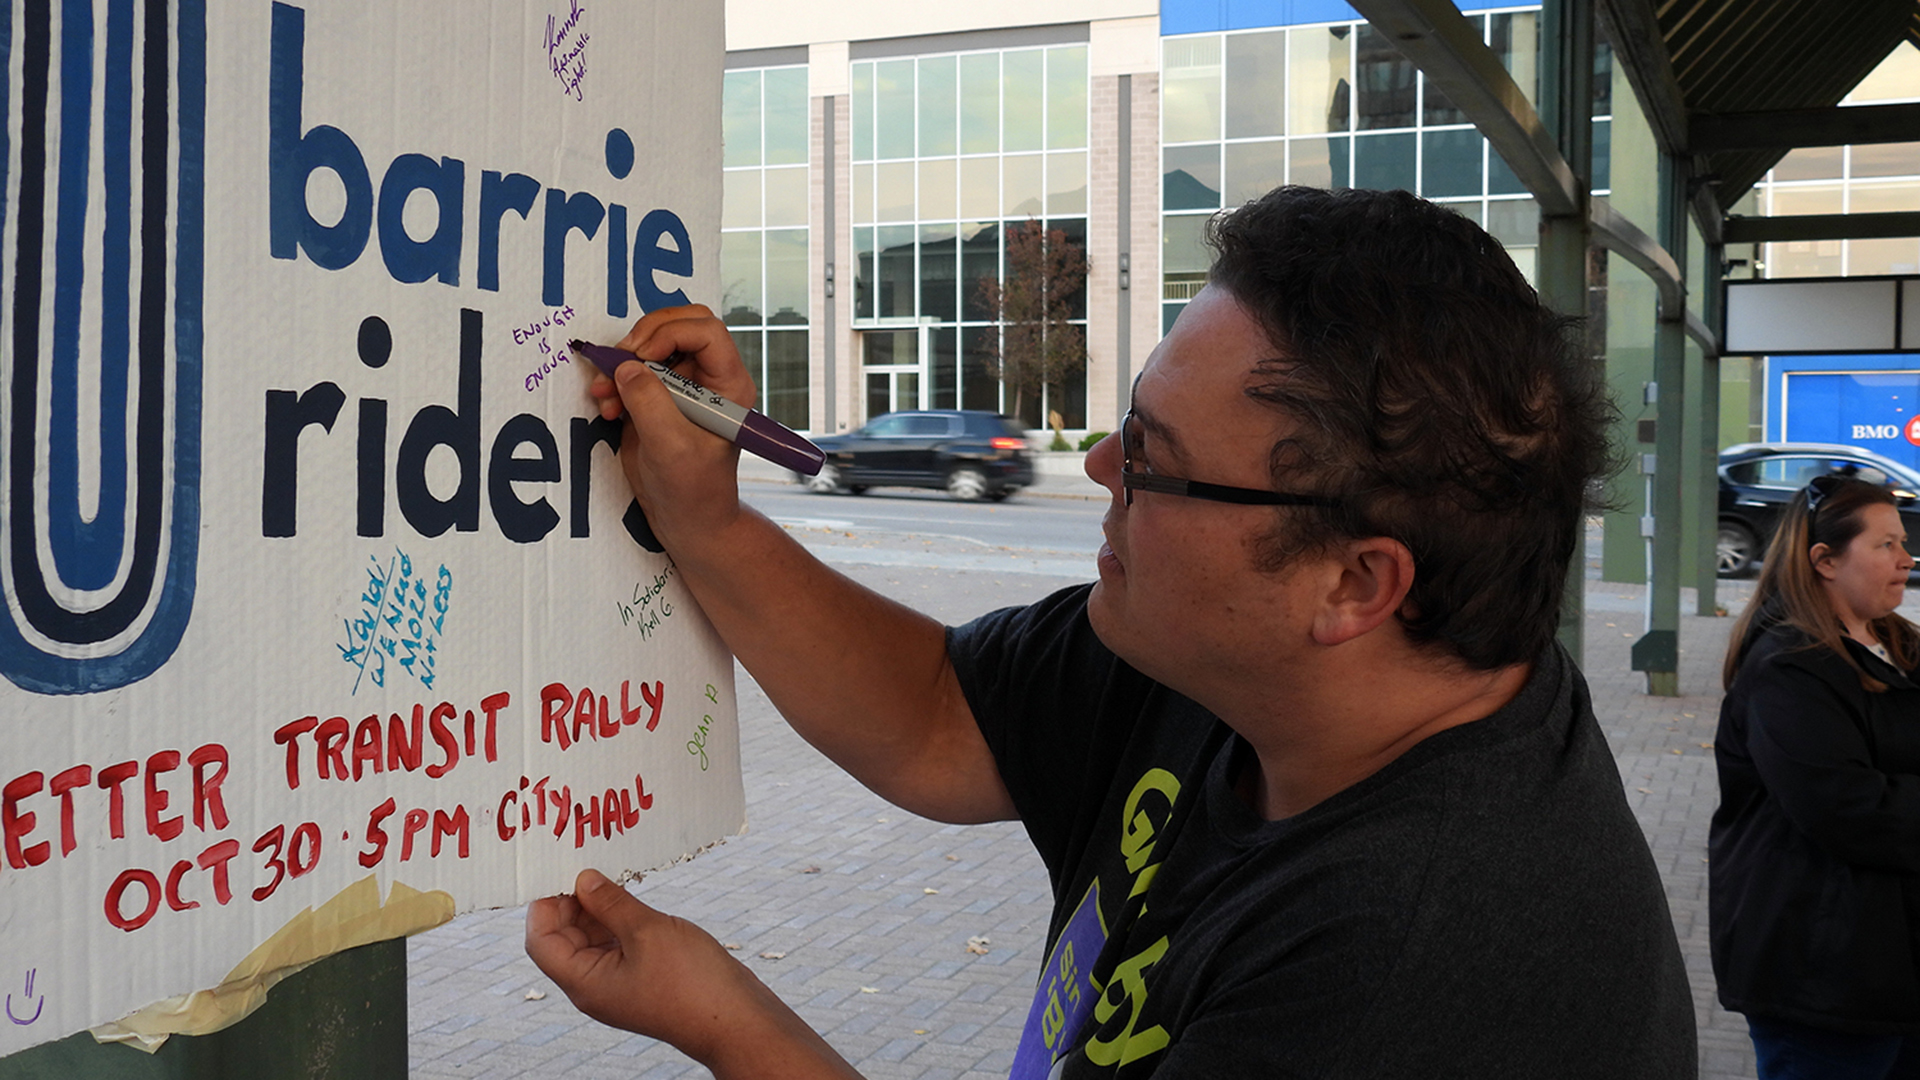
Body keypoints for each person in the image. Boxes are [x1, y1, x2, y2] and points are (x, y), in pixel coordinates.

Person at [524, 185, 1697, 1077]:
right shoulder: (1249, 665)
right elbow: (942, 717)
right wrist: (707, 519)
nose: (1096, 469)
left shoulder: (1419, 978)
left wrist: (726, 1024)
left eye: (1153, 460)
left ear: (1355, 584)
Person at [1712, 473, 1920, 1078]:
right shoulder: (1789, 667)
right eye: (1886, 545)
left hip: (1890, 964)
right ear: (1824, 560)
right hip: (1821, 972)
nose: (1907, 558)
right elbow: (1845, 807)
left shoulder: (1897, 644)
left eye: (1902, 542)